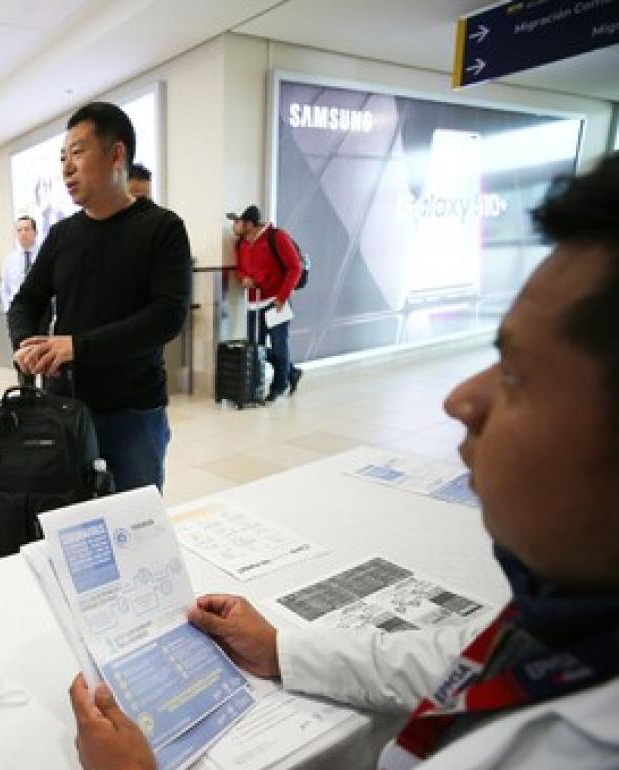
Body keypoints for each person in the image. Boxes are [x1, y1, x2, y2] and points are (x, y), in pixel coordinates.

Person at [70, 153, 619, 770]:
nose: (460, 400)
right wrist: (280, 649)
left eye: (517, 373)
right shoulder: (568, 622)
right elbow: (463, 656)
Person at [7, 102, 191, 493]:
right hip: (65, 409)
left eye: (77, 152)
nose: (66, 167)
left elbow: (167, 316)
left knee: (134, 528)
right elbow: (27, 300)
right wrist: (26, 344)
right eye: (62, 157)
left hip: (133, 411)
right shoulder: (62, 236)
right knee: (70, 524)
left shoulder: (162, 229)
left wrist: (78, 346)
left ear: (117, 153)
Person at [228, 204, 303, 403]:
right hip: (254, 305)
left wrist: (282, 296)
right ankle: (291, 371)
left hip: (276, 302)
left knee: (279, 347)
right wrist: (244, 278)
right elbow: (240, 269)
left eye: (238, 222)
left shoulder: (277, 237)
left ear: (249, 224)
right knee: (256, 348)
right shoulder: (241, 243)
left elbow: (295, 267)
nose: (234, 226)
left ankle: (279, 386)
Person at [0, 214, 39, 311]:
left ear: (35, 232)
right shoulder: (9, 260)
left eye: (27, 229)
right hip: (17, 311)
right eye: (19, 230)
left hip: (40, 310)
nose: (23, 233)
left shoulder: (44, 255)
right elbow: (5, 288)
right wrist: (8, 310)